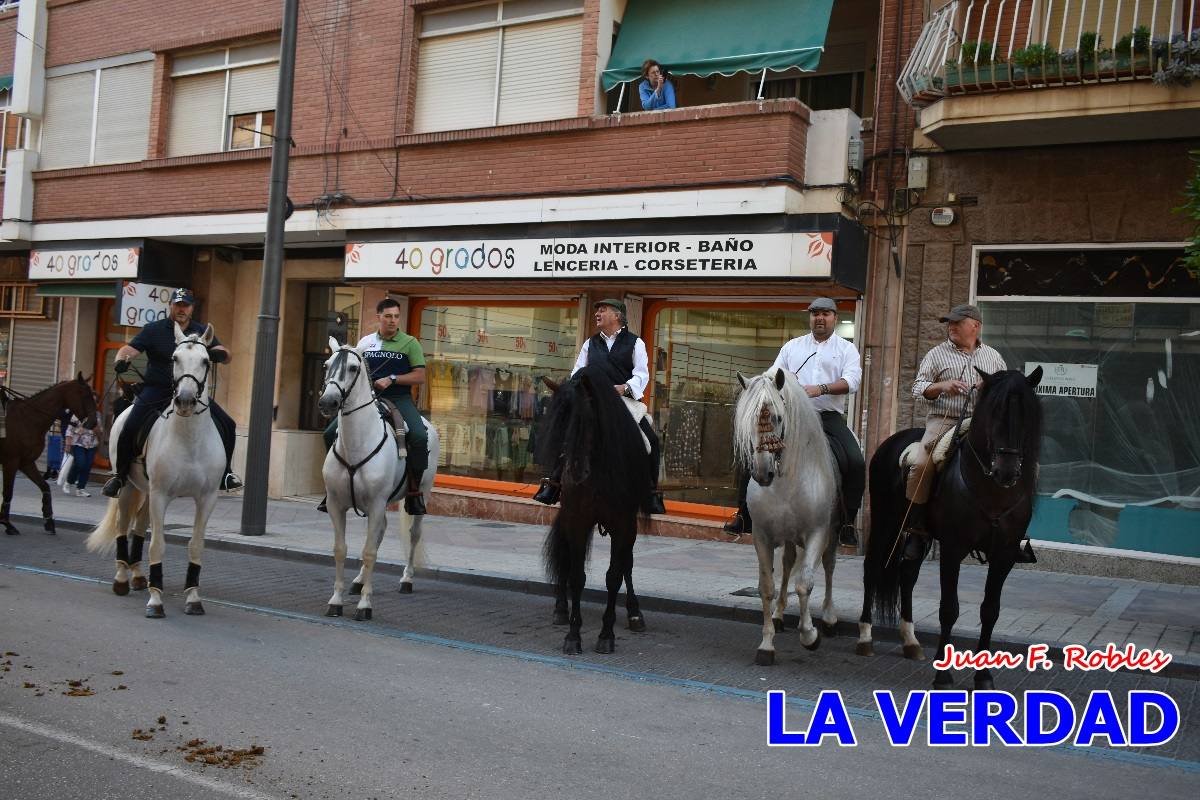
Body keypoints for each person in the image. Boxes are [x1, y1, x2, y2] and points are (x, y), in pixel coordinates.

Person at [722, 298, 865, 546]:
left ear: (835, 317)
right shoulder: (792, 347)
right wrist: (755, 385)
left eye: (825, 314)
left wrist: (818, 389)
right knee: (753, 453)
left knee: (855, 461)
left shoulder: (846, 349)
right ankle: (743, 515)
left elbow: (851, 382)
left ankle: (848, 522)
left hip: (827, 417)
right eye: (814, 314)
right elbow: (771, 375)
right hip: (791, 417)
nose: (819, 318)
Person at [903, 303, 1021, 560]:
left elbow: (1005, 391)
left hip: (982, 422)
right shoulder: (937, 354)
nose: (951, 327)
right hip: (944, 420)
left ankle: (1012, 529)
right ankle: (917, 528)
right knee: (923, 463)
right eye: (949, 323)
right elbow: (917, 388)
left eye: (957, 322)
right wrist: (942, 386)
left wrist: (988, 386)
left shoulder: (993, 357)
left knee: (1014, 461)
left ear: (975, 326)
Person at [102, 288, 241, 497]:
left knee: (229, 424)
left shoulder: (201, 332)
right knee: (130, 425)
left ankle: (226, 475)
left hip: (191, 393)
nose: (181, 309)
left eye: (185, 305)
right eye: (178, 305)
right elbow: (128, 350)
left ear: (192, 308)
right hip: (157, 390)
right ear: (171, 307)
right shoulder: (153, 330)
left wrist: (217, 354)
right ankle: (119, 476)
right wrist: (120, 360)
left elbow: (226, 354)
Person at [533, 298, 667, 515]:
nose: (597, 313)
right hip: (593, 400)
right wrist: (570, 389)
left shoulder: (636, 343)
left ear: (617, 316)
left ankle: (651, 494)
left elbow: (642, 374)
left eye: (602, 310)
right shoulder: (589, 343)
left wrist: (624, 388)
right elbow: (578, 371)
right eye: (597, 310)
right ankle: (553, 485)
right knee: (570, 433)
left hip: (624, 401)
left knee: (651, 439)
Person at [320, 297, 429, 515]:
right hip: (368, 399)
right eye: (388, 316)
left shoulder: (410, 343)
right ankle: (332, 487)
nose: (393, 321)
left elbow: (420, 376)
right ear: (378, 317)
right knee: (329, 433)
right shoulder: (366, 342)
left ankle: (414, 493)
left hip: (399, 398)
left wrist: (393, 378)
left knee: (419, 436)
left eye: (396, 316)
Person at [63, 413, 99, 497]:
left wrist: (97, 429)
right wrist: (68, 445)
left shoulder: (97, 415)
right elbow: (69, 430)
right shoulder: (77, 414)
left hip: (92, 444)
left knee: (87, 466)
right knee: (80, 463)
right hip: (78, 443)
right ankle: (69, 481)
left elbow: (99, 431)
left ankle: (80, 489)